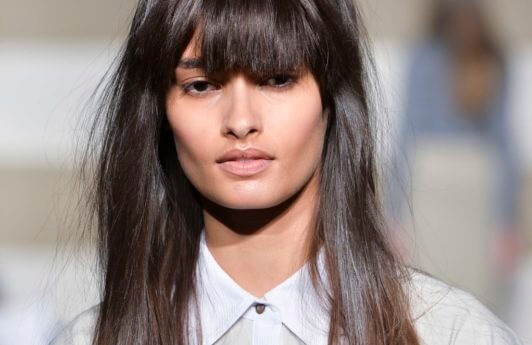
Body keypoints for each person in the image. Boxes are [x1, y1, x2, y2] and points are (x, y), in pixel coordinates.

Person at [49, 0, 522, 344]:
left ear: (332, 100)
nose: (239, 121)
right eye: (200, 85)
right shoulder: (89, 339)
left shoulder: (455, 334)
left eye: (277, 78)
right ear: (159, 113)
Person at [387, 0, 522, 272]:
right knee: (478, 303)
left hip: (429, 190)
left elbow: (407, 139)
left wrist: (394, 215)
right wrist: (507, 221)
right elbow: (504, 149)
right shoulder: (494, 59)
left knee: (433, 297)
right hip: (479, 197)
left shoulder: (423, 58)